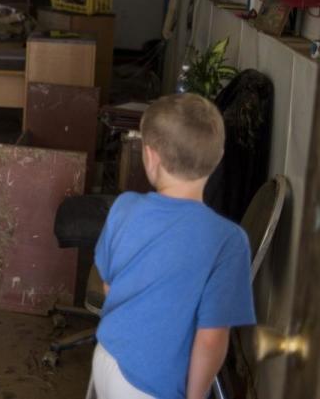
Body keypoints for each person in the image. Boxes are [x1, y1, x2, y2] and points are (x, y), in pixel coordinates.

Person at [88, 93, 256, 399]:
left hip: (109, 356)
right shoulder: (228, 240)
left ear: (150, 156)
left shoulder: (124, 207)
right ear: (218, 157)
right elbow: (211, 338)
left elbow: (109, 287)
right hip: (155, 381)